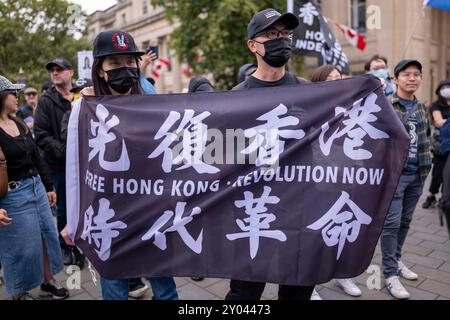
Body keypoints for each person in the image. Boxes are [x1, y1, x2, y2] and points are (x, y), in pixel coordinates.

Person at [62, 30, 178, 301]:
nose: (124, 68)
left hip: (152, 209)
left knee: (165, 287)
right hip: (108, 213)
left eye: (129, 61)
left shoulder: (150, 99)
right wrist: (74, 218)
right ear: (100, 70)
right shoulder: (85, 107)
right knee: (114, 290)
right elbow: (76, 165)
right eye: (114, 63)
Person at [226, 9, 314, 300]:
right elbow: (223, 156)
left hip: (299, 211)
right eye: (272, 34)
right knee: (244, 293)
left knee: (297, 290)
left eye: (284, 34)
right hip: (253, 210)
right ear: (252, 45)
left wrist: (370, 93)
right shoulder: (236, 97)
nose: (281, 40)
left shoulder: (308, 92)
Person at [0, 75, 69, 300]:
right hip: (13, 195)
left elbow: (37, 157)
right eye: (13, 93)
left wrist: (48, 185)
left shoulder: (19, 122)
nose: (17, 97)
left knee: (46, 236)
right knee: (20, 246)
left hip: (36, 187)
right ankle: (19, 291)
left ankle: (47, 281)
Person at [309, 65, 362, 299]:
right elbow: (313, 147)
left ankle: (341, 274)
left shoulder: (352, 105)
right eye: (328, 78)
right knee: (316, 234)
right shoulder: (311, 108)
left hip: (347, 179)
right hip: (320, 181)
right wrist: (331, 171)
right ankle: (309, 283)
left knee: (342, 229)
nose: (334, 81)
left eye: (338, 78)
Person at [381, 60, 432, 299]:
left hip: (418, 174)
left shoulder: (422, 108)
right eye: (407, 75)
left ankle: (398, 260)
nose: (412, 78)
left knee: (405, 221)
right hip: (395, 176)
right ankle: (389, 274)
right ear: (395, 80)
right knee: (391, 224)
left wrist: (428, 163)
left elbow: (426, 138)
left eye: (417, 75)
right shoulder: (387, 106)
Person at [34, 57, 85, 268]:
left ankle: (82, 245)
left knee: (84, 204)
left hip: (85, 164)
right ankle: (67, 247)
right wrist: (64, 151)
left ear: (70, 72)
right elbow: (41, 134)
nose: (54, 73)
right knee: (64, 208)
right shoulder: (46, 101)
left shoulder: (83, 94)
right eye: (52, 70)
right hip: (59, 165)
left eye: (59, 69)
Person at [422, 80, 450, 209]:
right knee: (438, 172)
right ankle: (431, 196)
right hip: (440, 144)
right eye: (444, 88)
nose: (446, 90)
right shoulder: (436, 105)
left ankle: (445, 199)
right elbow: (438, 122)